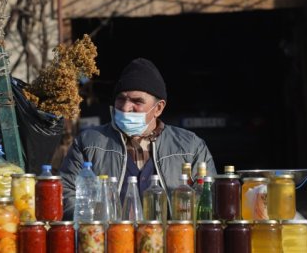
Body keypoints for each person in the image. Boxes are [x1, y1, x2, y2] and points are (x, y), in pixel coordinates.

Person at [60, 57, 216, 220]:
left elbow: (209, 197)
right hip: (107, 241)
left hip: (172, 242)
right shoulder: (89, 143)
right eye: (121, 99)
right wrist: (94, 227)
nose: (126, 107)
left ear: (158, 108)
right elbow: (66, 193)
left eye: (137, 101)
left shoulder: (190, 147)